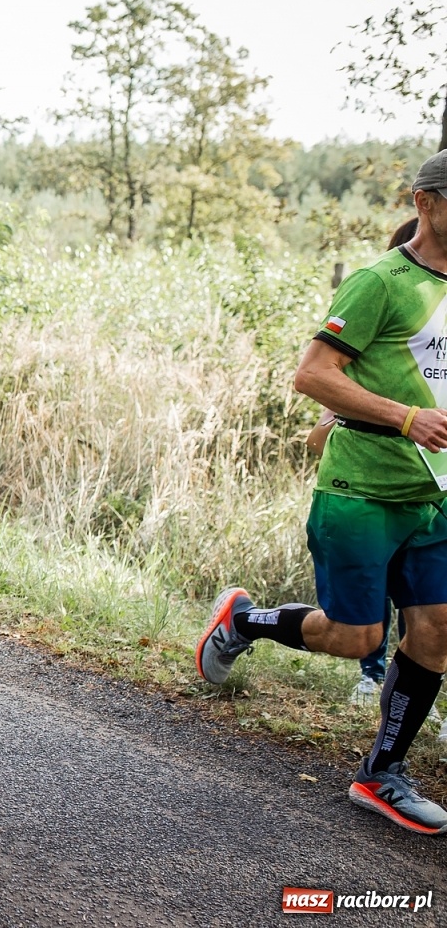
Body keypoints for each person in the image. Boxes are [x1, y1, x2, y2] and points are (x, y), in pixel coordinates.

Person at [198, 150, 447, 835]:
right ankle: (242, 622)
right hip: (362, 490)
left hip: (436, 496)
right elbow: (311, 375)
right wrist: (405, 417)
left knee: (436, 628)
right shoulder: (380, 282)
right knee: (353, 635)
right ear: (425, 203)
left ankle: (382, 774)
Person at [307, 216, 420, 705]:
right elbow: (325, 386)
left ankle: (402, 702)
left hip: (430, 487)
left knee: (432, 618)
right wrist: (340, 420)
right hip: (364, 481)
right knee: (363, 627)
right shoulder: (380, 286)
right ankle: (371, 672)